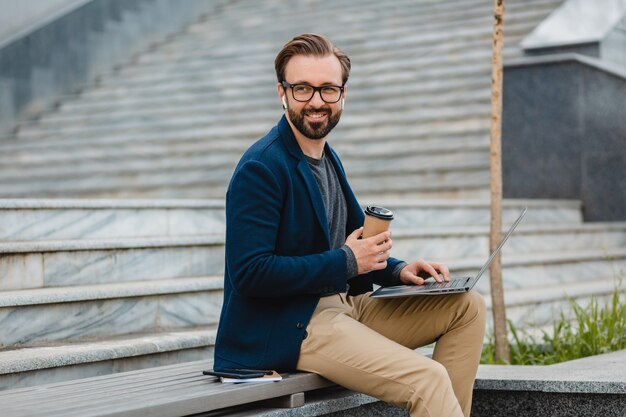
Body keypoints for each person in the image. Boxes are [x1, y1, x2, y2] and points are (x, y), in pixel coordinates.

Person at [214, 33, 486, 417]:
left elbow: (354, 243)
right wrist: (346, 262)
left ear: (343, 95)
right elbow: (250, 273)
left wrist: (400, 270)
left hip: (344, 306)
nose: (316, 101)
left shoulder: (327, 158)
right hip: (293, 324)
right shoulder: (261, 167)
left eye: (327, 89)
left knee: (467, 306)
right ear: (282, 93)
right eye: (303, 89)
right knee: (428, 377)